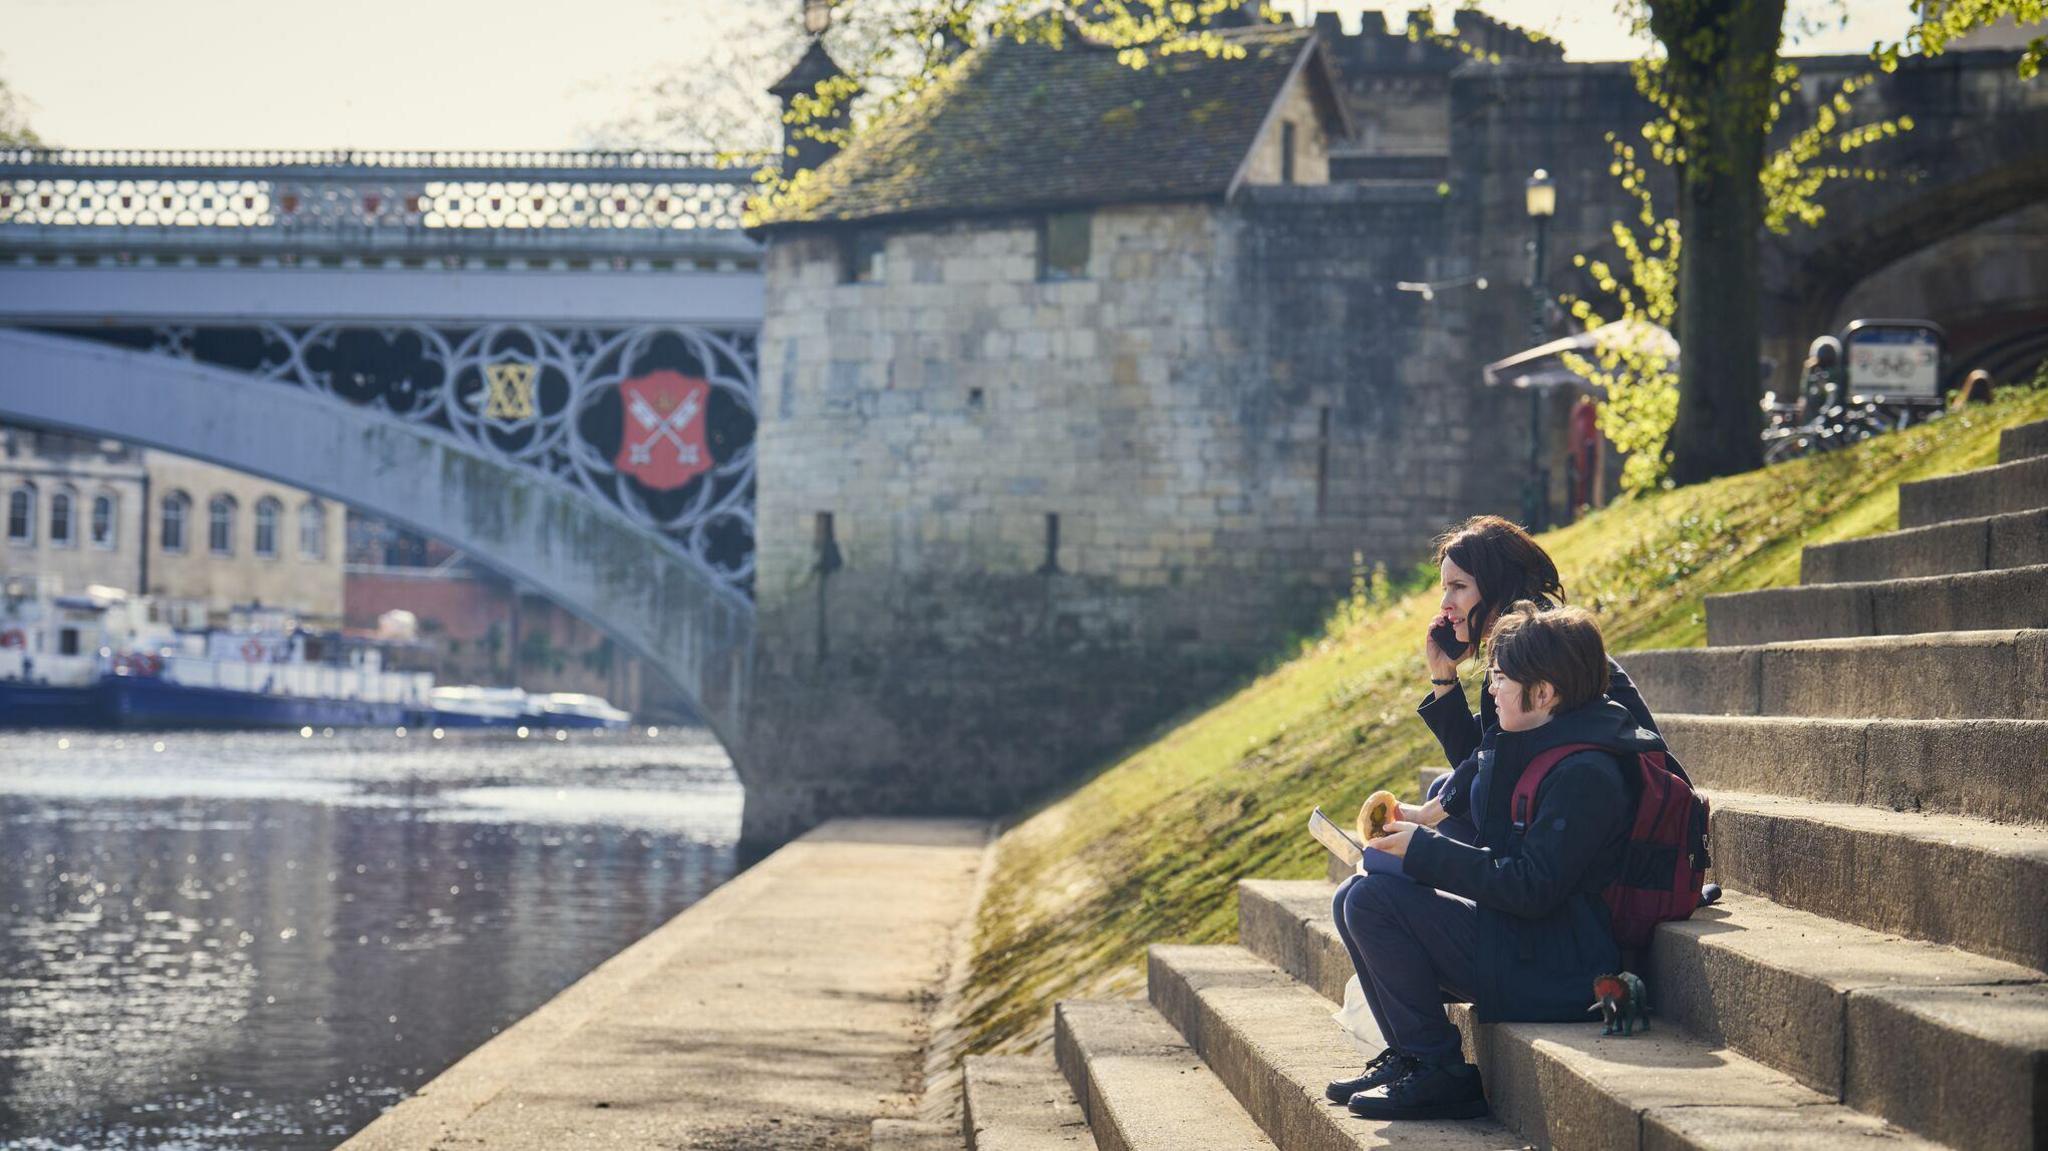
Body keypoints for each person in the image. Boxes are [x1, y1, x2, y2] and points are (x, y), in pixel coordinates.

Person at [1323, 515, 1660, 1116]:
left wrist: (1426, 843)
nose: (1445, 605)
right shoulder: (1541, 703)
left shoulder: (1578, 759)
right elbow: (1489, 780)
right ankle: (1414, 1054)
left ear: (1544, 692)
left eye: (1458, 587)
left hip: (1559, 962)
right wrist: (1429, 822)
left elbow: (1528, 875)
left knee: (1370, 897)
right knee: (1359, 891)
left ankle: (1437, 1068)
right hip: (1536, 938)